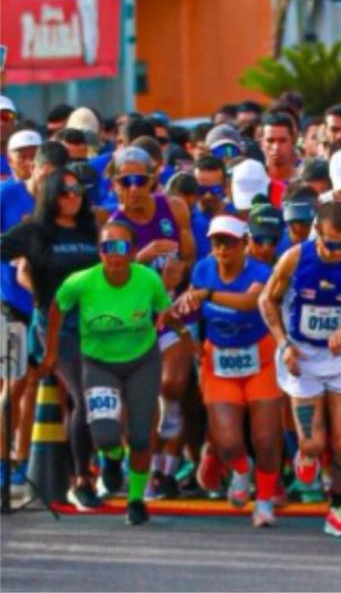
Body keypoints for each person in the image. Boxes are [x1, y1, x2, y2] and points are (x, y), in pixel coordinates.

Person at [257, 201, 341, 537]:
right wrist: (284, 343)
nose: (336, 252)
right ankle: (306, 455)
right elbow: (266, 300)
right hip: (301, 355)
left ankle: (336, 509)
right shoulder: (295, 257)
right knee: (314, 444)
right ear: (317, 232)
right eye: (330, 245)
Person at [50, 221, 175, 525]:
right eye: (107, 248)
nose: (114, 255)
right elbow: (56, 308)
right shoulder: (81, 281)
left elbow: (163, 308)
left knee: (142, 435)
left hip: (141, 361)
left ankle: (135, 500)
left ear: (132, 252)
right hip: (98, 363)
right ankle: (114, 457)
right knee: (105, 433)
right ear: (100, 252)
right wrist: (51, 350)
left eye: (121, 248)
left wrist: (167, 325)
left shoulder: (148, 279)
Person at [168, 215, 281, 527]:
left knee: (266, 438)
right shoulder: (203, 270)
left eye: (229, 242)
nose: (222, 249)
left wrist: (208, 295)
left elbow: (251, 301)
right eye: (217, 242)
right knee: (228, 441)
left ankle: (265, 501)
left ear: (244, 244)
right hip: (218, 361)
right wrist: (187, 338)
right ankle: (242, 472)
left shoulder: (261, 270)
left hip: (261, 360)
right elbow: (182, 309)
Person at [3, 167, 100, 509]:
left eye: (77, 191)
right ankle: (80, 480)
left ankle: (105, 469)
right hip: (55, 328)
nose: (72, 198)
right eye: (64, 192)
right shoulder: (35, 230)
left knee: (103, 400)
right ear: (50, 196)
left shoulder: (91, 228)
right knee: (85, 397)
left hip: (96, 325)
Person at [109, 146, 195, 499]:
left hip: (172, 313)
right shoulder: (115, 226)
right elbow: (111, 278)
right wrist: (141, 260)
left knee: (173, 386)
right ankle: (144, 468)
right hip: (136, 323)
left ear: (152, 181)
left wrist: (180, 271)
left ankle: (167, 451)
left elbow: (190, 255)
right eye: (125, 181)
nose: (132, 188)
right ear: (116, 185)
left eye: (139, 181)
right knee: (139, 404)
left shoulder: (173, 208)